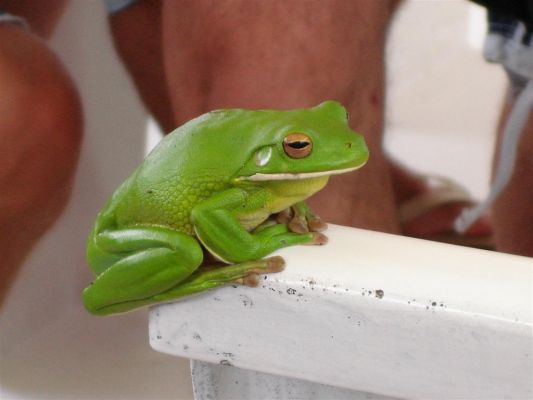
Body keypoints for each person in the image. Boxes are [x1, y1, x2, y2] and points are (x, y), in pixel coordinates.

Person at [0, 0, 530, 306]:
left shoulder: (267, 173)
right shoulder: (242, 184)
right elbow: (209, 213)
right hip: (160, 230)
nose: (343, 143)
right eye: (300, 148)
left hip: (204, 183)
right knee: (189, 251)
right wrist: (256, 243)